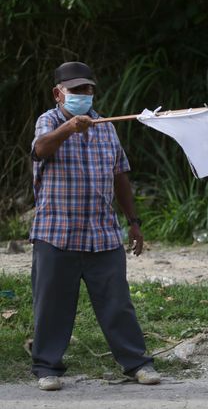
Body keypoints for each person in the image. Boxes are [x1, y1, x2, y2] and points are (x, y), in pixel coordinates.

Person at [29, 61, 160, 391]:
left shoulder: (106, 127)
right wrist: (68, 128)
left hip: (102, 232)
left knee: (117, 302)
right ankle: (47, 368)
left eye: (88, 89)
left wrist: (134, 222)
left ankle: (137, 364)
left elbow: (120, 176)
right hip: (56, 233)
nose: (84, 95)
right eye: (76, 90)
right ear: (58, 94)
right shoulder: (49, 121)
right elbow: (40, 149)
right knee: (52, 305)